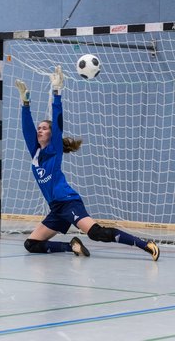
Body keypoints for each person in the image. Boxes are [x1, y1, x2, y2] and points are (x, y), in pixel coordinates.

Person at [15, 66, 160, 261]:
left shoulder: (54, 148)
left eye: (44, 128)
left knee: (96, 233)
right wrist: (25, 104)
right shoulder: (35, 153)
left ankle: (146, 244)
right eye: (38, 128)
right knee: (31, 244)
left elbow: (58, 123)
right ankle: (72, 246)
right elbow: (26, 130)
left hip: (68, 202)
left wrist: (57, 93)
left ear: (51, 134)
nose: (39, 130)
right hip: (56, 209)